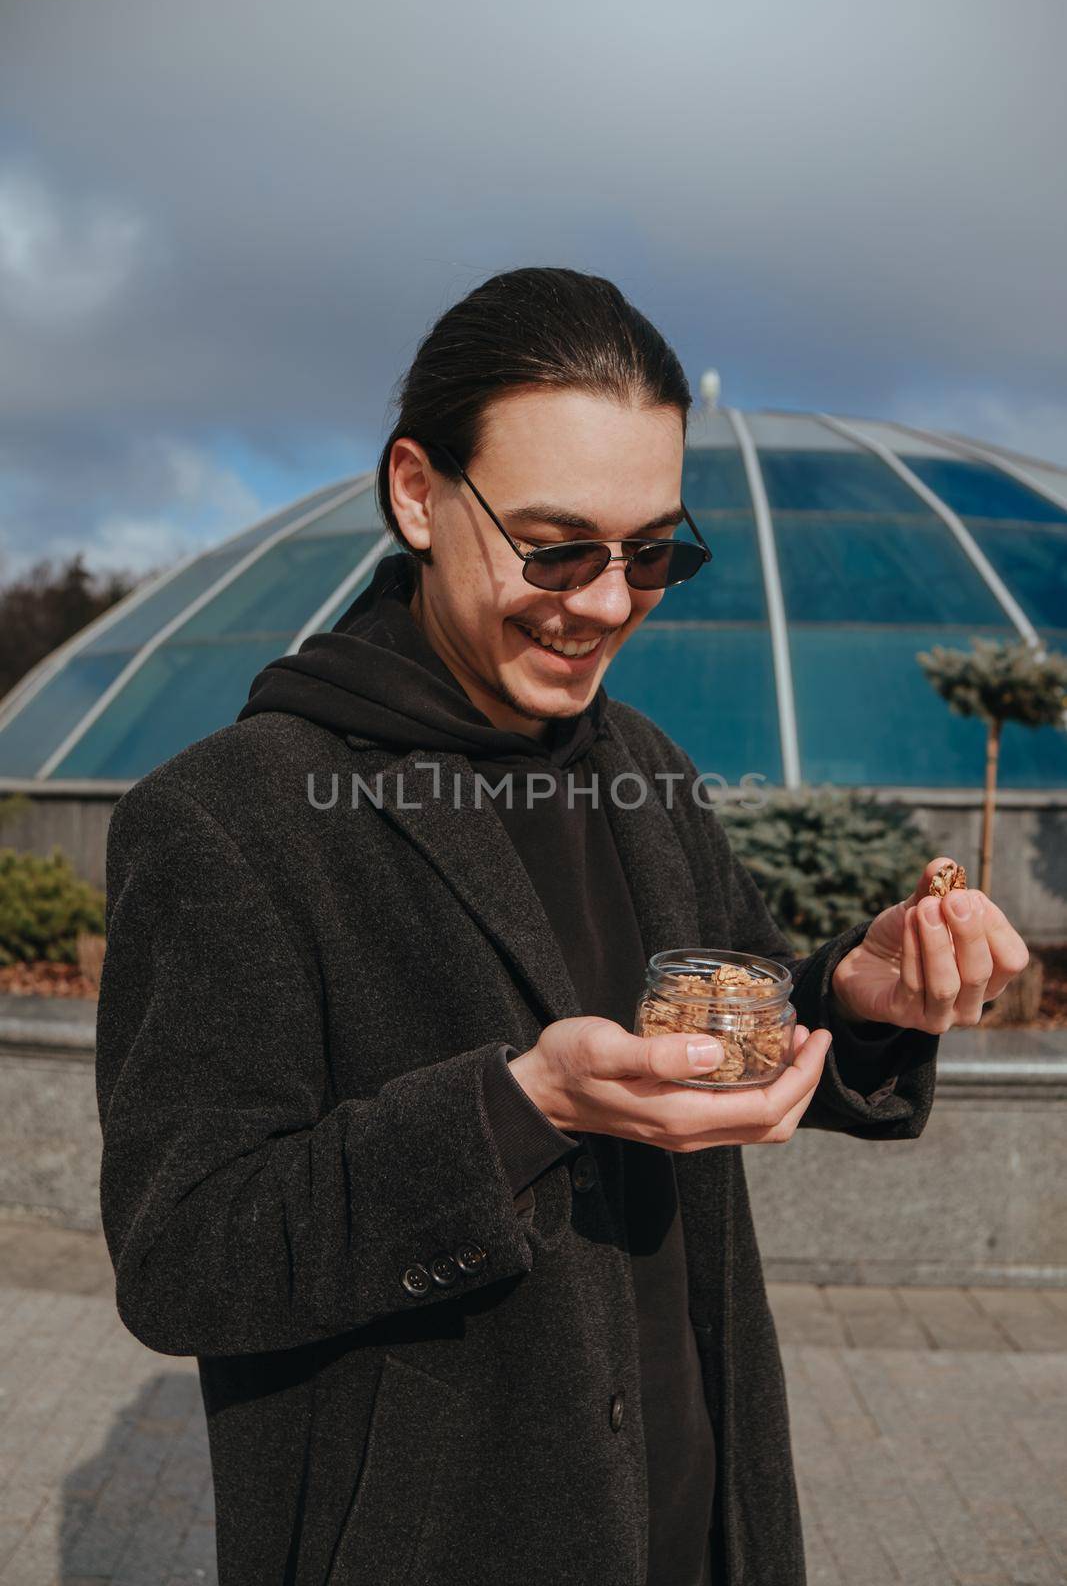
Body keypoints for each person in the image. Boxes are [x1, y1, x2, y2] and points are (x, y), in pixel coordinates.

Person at [95, 267, 1029, 1586]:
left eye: (652, 553)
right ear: (417, 492)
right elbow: (186, 1259)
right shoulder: (229, 818)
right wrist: (524, 1104)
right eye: (555, 546)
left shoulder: (637, 761)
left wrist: (854, 991)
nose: (604, 602)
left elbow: (718, 1020)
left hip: (700, 1528)